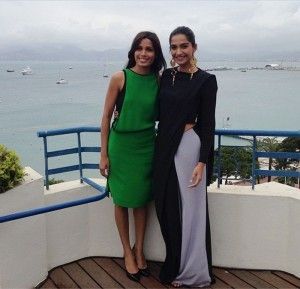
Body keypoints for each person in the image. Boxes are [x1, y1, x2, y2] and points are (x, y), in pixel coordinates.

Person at [152, 26, 217, 287]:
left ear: (194, 47)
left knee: (192, 210)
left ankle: (193, 271)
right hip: (164, 146)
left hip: (189, 148)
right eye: (174, 47)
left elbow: (209, 123)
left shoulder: (206, 80)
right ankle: (174, 263)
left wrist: (202, 162)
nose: (179, 52)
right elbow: (154, 109)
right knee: (166, 206)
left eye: (184, 46)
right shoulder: (166, 76)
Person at [100, 31, 166, 282]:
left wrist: (189, 122)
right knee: (122, 200)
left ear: (156, 54)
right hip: (121, 147)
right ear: (133, 52)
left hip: (147, 146)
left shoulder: (158, 81)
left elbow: (170, 110)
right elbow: (106, 117)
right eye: (140, 48)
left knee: (141, 200)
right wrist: (103, 154)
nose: (144, 53)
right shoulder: (120, 77)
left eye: (149, 49)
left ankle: (140, 250)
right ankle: (127, 251)